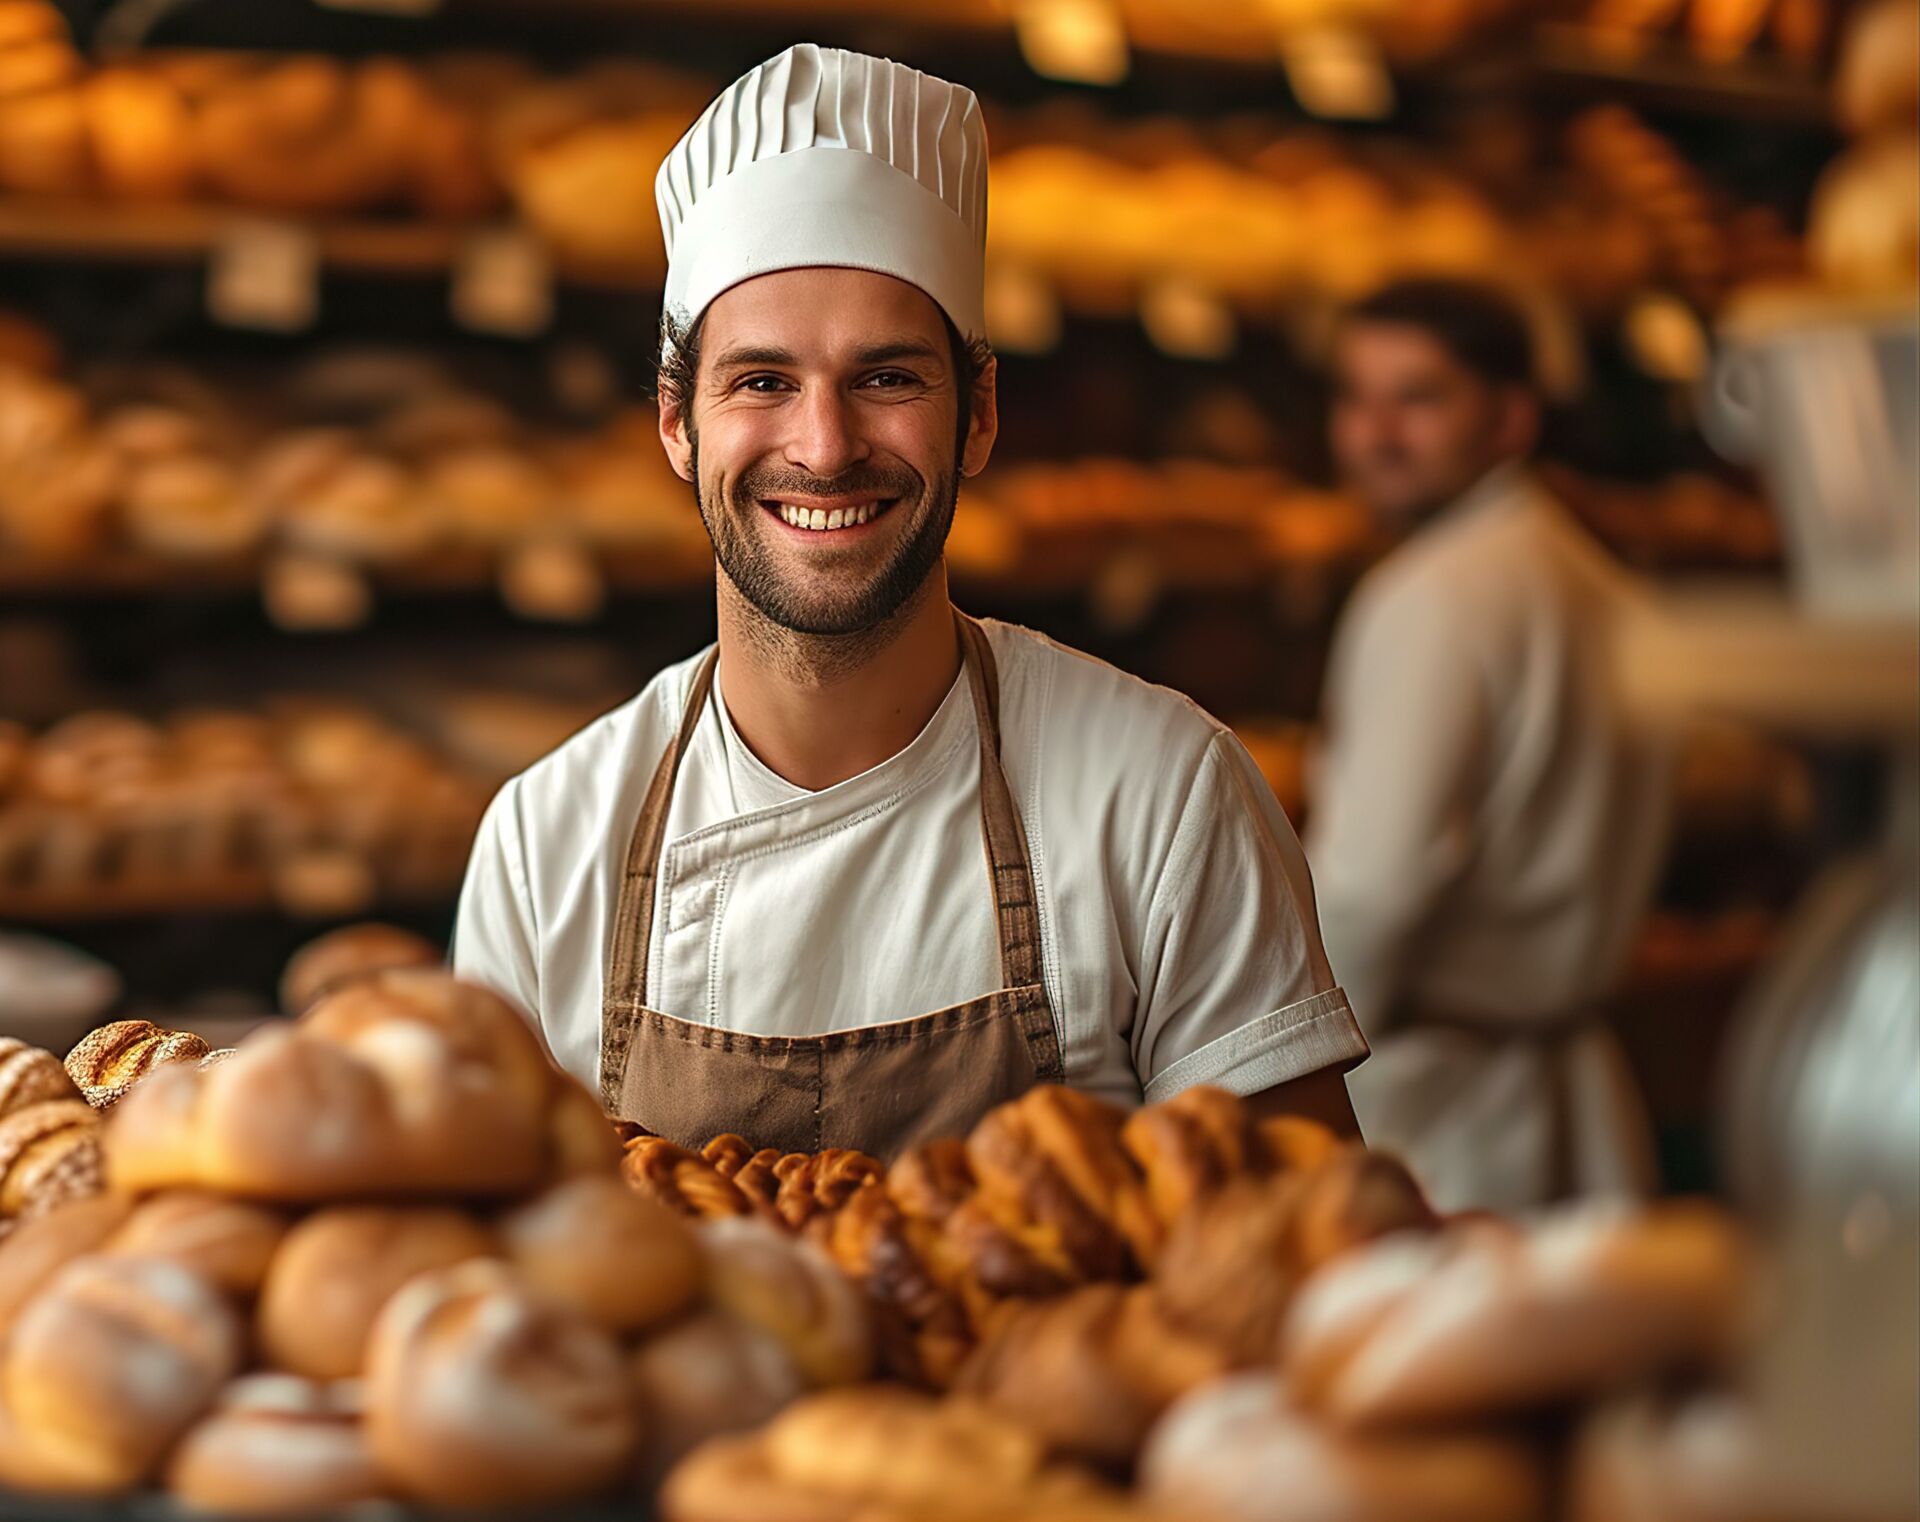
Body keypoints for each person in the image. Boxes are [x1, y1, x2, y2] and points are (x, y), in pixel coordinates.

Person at [453, 44, 1367, 1156]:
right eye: (762, 382)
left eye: (886, 378)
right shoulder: (548, 844)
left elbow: (1287, 1262)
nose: (825, 447)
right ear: (676, 424)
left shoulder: (1163, 796)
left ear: (978, 413)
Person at [1307, 277, 1672, 1213]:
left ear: (1511, 419)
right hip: (1570, 1079)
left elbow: (1374, 886)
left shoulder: (1433, 595)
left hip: (1439, 1109)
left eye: (1418, 399)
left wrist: (1289, 1071)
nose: (1374, 432)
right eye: (1356, 396)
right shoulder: (1597, 579)